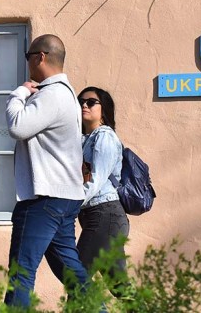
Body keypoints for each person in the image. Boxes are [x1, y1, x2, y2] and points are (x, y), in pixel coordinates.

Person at [4, 34, 88, 307]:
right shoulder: (68, 95)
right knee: (71, 271)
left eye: (28, 57)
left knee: (21, 274)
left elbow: (17, 127)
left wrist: (19, 93)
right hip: (64, 196)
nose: (27, 63)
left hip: (44, 198)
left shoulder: (51, 95)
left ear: (40, 57)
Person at [77, 86, 130, 294]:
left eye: (91, 102)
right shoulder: (84, 139)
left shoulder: (104, 137)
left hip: (104, 215)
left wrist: (71, 204)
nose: (84, 105)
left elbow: (96, 178)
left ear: (103, 108)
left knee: (77, 278)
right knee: (120, 288)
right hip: (99, 217)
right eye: (81, 101)